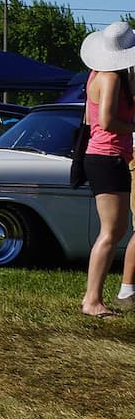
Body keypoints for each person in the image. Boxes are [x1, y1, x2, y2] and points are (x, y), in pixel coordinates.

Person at [78, 21, 135, 317]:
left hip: (105, 156)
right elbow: (108, 121)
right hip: (107, 156)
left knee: (114, 230)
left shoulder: (96, 76)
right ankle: (92, 300)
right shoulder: (111, 78)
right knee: (111, 232)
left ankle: (93, 298)